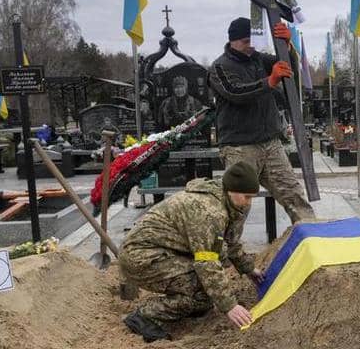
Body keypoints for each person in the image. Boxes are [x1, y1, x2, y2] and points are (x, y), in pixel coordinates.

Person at [120, 162, 264, 342]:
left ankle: (189, 304)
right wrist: (230, 306)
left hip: (161, 251)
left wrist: (249, 269)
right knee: (201, 294)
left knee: (206, 294)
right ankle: (144, 316)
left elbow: (229, 242)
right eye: (246, 197)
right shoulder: (209, 212)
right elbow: (207, 262)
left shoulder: (222, 199)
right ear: (231, 190)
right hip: (141, 257)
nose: (248, 203)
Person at [208, 17, 315, 223]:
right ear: (232, 41)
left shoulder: (257, 59)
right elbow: (235, 93)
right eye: (245, 41)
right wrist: (270, 80)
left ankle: (310, 234)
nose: (250, 46)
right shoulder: (219, 67)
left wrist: (287, 46)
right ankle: (229, 243)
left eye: (253, 41)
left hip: (270, 143)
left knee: (294, 195)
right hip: (240, 147)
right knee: (237, 206)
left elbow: (288, 68)